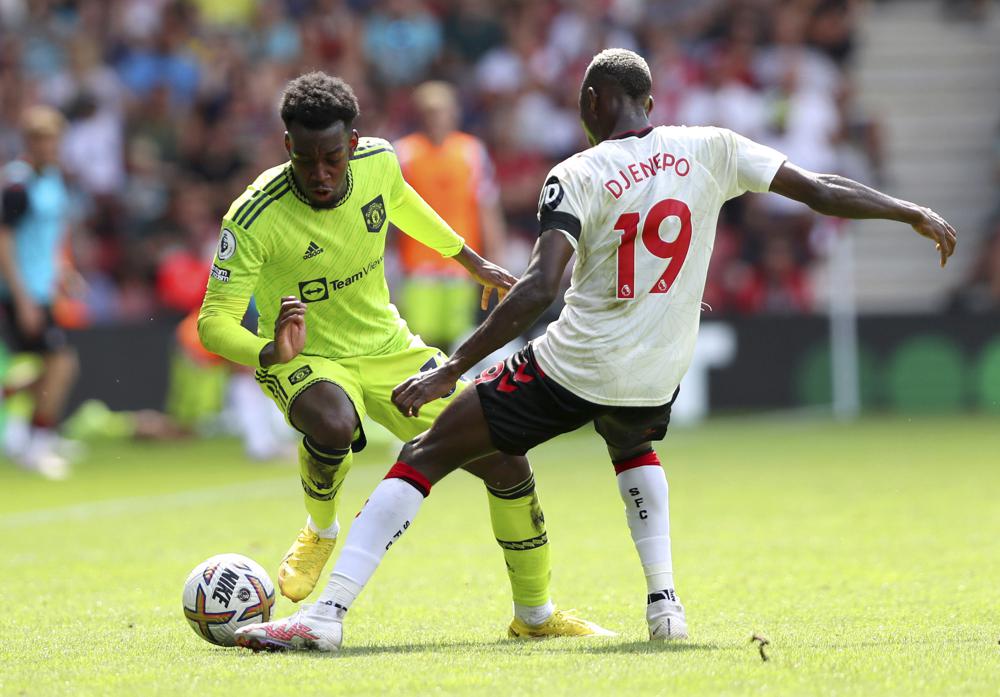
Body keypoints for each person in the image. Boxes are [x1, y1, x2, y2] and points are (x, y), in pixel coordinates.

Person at [234, 49, 958, 653]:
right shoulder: (714, 147)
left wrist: (453, 368)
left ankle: (325, 617)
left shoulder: (576, 174)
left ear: (593, 100)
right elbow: (821, 188)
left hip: (574, 364)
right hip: (659, 370)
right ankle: (664, 604)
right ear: (648, 99)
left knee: (426, 452)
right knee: (632, 443)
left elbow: (541, 286)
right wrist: (909, 210)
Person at [198, 71, 606, 639]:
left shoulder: (380, 162)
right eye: (307, 158)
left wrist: (470, 259)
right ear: (287, 145)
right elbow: (212, 320)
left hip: (389, 347)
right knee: (334, 423)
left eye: (333, 158)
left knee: (506, 457)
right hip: (306, 356)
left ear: (355, 143)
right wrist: (268, 349)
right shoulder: (251, 216)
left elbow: (403, 205)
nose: (320, 172)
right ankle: (320, 528)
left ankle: (534, 616)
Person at [394, 81, 508, 350]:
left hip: (462, 263)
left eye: (441, 111)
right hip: (417, 265)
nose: (436, 118)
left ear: (454, 113)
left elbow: (486, 206)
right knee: (420, 342)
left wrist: (496, 255)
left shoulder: (471, 152)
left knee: (458, 340)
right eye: (429, 112)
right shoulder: (405, 153)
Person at [0, 106, 80, 479]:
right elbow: (5, 241)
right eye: (42, 139)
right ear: (30, 142)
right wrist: (23, 297)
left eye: (54, 139)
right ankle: (38, 445)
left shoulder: (52, 179)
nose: (50, 146)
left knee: (51, 366)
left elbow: (48, 237)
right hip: (22, 291)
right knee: (61, 364)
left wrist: (64, 271)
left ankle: (20, 414)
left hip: (42, 288)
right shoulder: (17, 184)